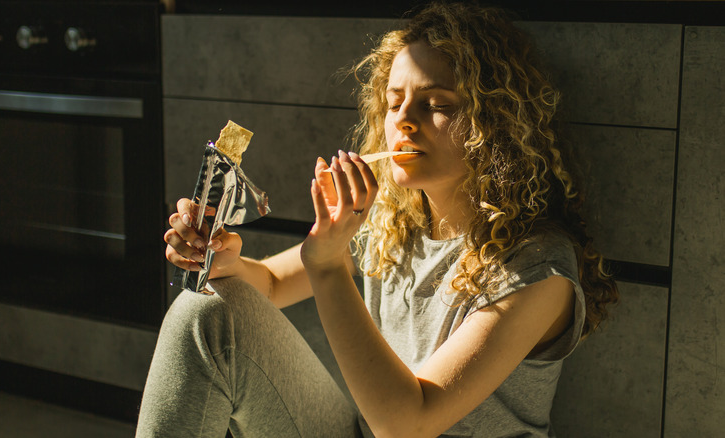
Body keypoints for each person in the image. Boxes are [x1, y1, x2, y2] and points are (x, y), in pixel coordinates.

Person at [135, 2, 619, 437]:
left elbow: (407, 424)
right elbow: (271, 285)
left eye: (437, 105)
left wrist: (326, 265)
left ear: (495, 125)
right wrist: (223, 260)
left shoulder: (537, 268)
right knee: (203, 311)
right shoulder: (391, 221)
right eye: (394, 103)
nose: (403, 120)